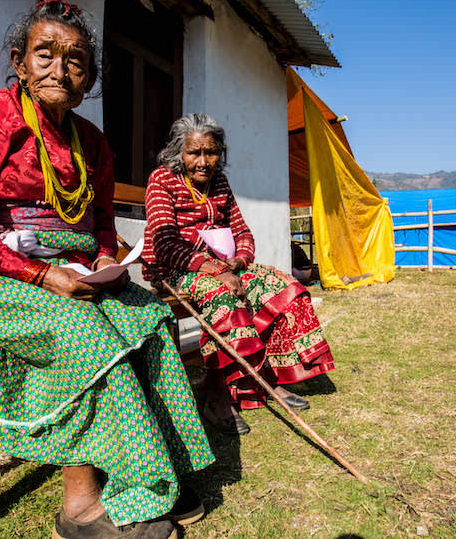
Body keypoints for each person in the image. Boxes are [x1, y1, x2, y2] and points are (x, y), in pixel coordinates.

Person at [0, 0, 213, 539]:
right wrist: (39, 274)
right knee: (89, 334)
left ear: (90, 77)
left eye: (76, 60)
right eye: (44, 55)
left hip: (75, 271)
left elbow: (102, 223)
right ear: (18, 61)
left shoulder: (92, 142)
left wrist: (106, 258)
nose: (60, 69)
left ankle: (156, 473)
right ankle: (80, 508)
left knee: (150, 319)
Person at [142, 114, 336, 435]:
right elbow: (164, 243)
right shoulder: (162, 180)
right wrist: (215, 269)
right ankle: (216, 395)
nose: (204, 162)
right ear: (179, 153)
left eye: (211, 152)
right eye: (194, 153)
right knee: (224, 296)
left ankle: (269, 379)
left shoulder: (220, 182)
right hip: (176, 267)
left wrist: (240, 261)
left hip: (223, 266)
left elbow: (242, 231)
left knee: (283, 287)